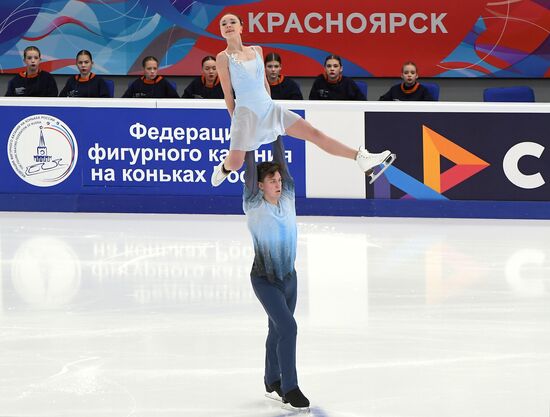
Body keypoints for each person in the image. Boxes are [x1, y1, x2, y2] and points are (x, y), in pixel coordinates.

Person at [212, 13, 394, 187]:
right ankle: (222, 167)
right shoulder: (222, 58)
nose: (228, 26)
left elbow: (265, 83)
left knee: (314, 134)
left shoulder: (257, 50)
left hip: (269, 108)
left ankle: (360, 157)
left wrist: (269, 105)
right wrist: (235, 120)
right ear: (221, 31)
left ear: (241, 27)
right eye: (224, 24)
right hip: (245, 114)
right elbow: (228, 93)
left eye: (232, 22)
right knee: (235, 163)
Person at [243, 135, 308, 411]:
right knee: (288, 328)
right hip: (265, 279)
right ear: (260, 185)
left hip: (289, 279)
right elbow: (249, 167)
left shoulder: (289, 196)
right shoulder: (254, 203)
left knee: (277, 329)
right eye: (272, 181)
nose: (278, 183)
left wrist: (275, 133)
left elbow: (281, 160)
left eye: (279, 179)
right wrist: (248, 135)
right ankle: (289, 388)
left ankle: (271, 380)